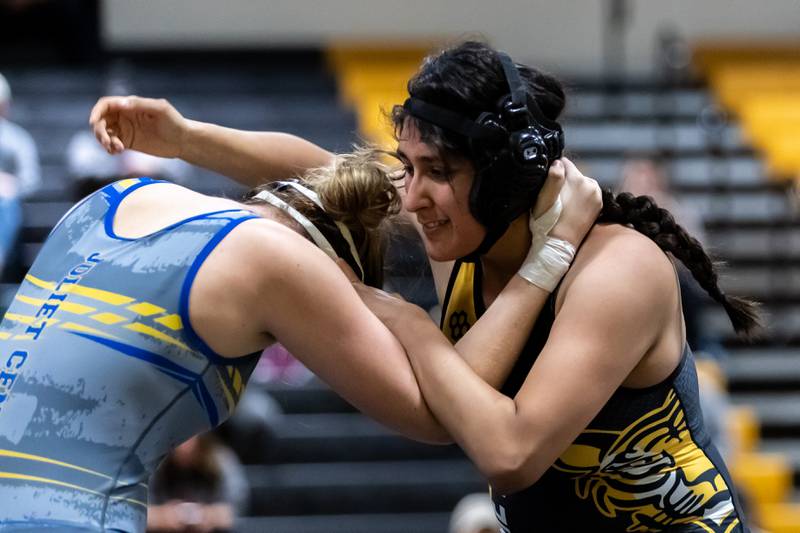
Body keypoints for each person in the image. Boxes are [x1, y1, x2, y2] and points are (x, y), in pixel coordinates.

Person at [88, 41, 762, 532]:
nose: (413, 197)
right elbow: (327, 168)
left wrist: (411, 324)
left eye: (435, 170)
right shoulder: (461, 233)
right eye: (409, 167)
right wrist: (184, 137)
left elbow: (511, 452)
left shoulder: (618, 270)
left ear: (502, 177)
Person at [0, 123, 599, 530]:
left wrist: (185, 137)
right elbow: (450, 413)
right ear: (337, 271)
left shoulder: (121, 199)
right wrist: (550, 256)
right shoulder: (277, 261)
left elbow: (340, 182)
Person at [147, 433, 247, 533]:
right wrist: (163, 515)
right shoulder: (156, 464)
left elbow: (235, 512)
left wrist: (208, 515)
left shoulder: (220, 461)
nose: (184, 445)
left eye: (189, 436)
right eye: (180, 438)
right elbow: (139, 512)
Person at [0, 72, 41, 278]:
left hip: (7, 206)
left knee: (6, 202)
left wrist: (11, 184)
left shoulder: (17, 139)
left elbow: (31, 180)